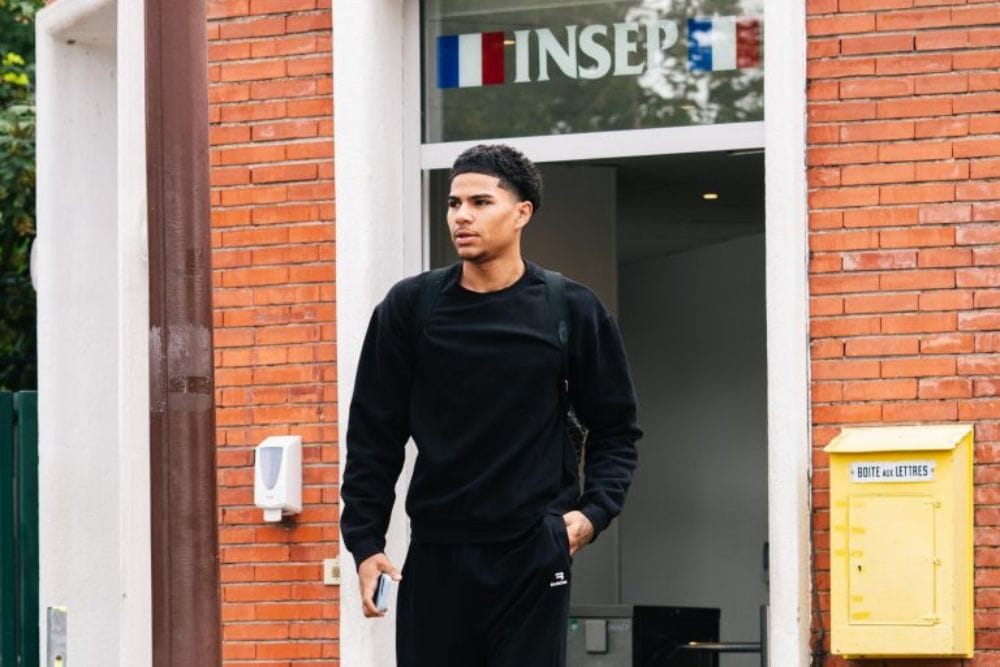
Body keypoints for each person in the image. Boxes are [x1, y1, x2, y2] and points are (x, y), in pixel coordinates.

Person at [341, 143, 641, 666]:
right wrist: (366, 544)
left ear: (522, 212)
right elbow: (373, 437)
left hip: (532, 552)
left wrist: (592, 514)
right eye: (454, 203)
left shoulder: (569, 309)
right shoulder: (411, 307)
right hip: (437, 554)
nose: (462, 216)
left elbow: (616, 429)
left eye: (480, 202)